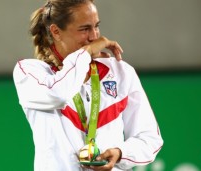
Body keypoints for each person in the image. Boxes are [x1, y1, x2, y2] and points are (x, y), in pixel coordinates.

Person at [13, 0, 163, 170]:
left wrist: (120, 152)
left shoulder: (120, 72)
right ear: (56, 32)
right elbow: (58, 94)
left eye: (96, 26)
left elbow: (149, 138)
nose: (94, 37)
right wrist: (86, 53)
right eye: (84, 29)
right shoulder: (30, 73)